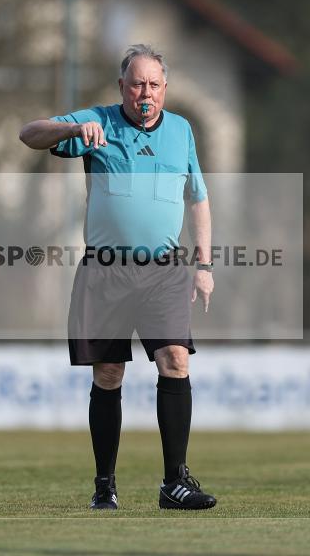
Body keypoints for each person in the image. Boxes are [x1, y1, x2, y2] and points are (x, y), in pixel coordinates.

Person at [19, 44, 216, 510]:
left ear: (164, 88)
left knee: (175, 359)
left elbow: (198, 199)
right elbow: (29, 134)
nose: (144, 92)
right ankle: (104, 485)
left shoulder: (182, 130)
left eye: (153, 84)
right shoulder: (98, 122)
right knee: (109, 373)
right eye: (135, 84)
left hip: (165, 269)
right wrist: (73, 128)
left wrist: (204, 265)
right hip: (107, 270)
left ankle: (175, 483)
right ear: (121, 87)